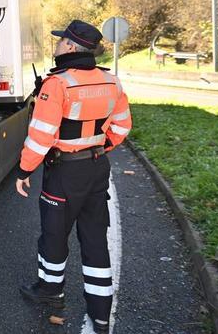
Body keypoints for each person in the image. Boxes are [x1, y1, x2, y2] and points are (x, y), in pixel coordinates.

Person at [14, 20, 132, 334]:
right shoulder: (112, 82)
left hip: (64, 172)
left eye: (59, 41)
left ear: (69, 46)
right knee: (95, 241)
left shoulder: (57, 84)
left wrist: (25, 170)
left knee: (54, 235)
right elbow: (121, 128)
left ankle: (51, 292)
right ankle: (101, 315)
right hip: (96, 169)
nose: (56, 45)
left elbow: (41, 137)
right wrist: (96, 147)